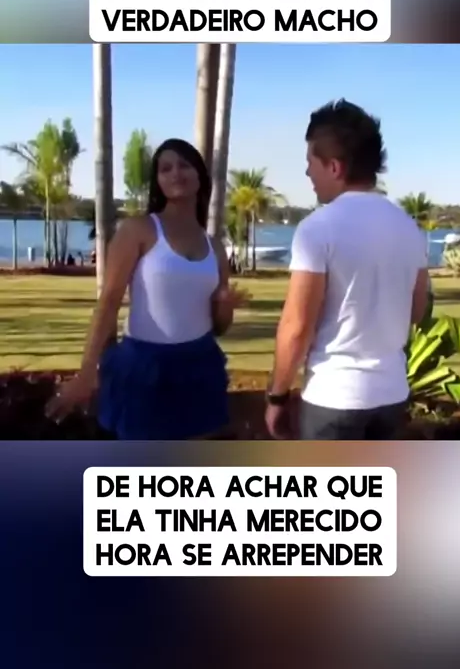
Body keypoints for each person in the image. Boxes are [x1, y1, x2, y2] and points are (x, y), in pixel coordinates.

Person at [45, 138, 248, 440]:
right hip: (143, 368)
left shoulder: (215, 247)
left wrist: (225, 306)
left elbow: (219, 327)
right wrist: (87, 371)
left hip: (199, 366)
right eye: (165, 168)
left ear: (200, 176)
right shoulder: (138, 230)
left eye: (184, 165)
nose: (175, 173)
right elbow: (109, 302)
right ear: (158, 181)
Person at [265, 100, 429, 441]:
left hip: (333, 400)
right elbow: (417, 310)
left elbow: (297, 327)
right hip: (391, 397)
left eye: (310, 162)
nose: (307, 173)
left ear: (334, 167)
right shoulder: (408, 227)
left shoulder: (317, 228)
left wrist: (277, 396)